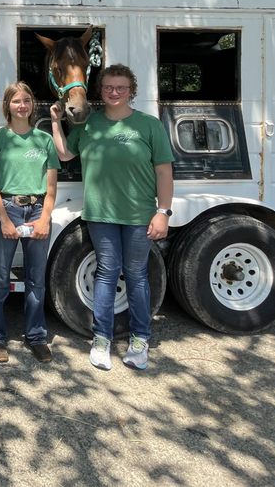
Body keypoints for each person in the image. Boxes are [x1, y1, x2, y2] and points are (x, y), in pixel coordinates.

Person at [51, 63, 174, 371]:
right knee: (106, 274)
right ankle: (102, 339)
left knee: (136, 276)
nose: (114, 92)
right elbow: (66, 154)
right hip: (101, 213)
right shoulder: (89, 125)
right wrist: (55, 123)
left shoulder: (148, 125)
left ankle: (139, 340)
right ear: (101, 91)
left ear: (131, 91)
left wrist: (163, 212)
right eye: (108, 88)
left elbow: (164, 171)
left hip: (138, 214)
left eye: (120, 88)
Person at [0, 81, 59, 364]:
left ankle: (36, 336)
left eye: (26, 100)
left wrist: (45, 219)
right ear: (7, 106)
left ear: (32, 104)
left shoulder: (44, 140)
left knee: (37, 279)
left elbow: (50, 187)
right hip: (7, 209)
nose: (22, 105)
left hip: (37, 210)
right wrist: (3, 220)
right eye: (16, 101)